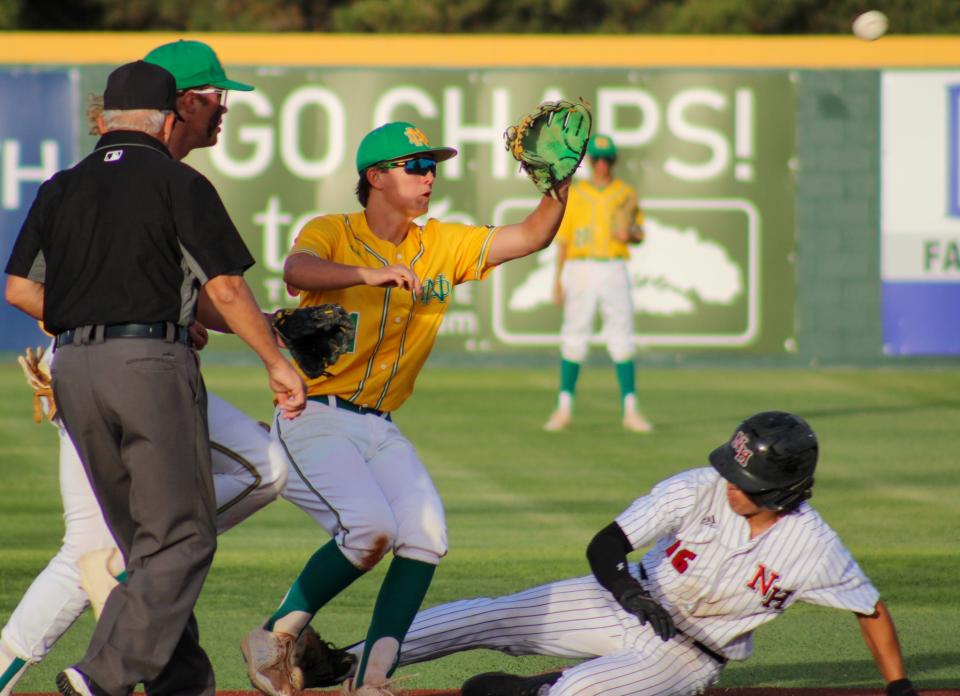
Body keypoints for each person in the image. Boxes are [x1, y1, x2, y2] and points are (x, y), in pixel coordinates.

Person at [0, 40, 297, 696]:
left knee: (140, 546)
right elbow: (223, 288)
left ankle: (179, 681)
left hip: (74, 366)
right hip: (147, 368)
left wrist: (91, 313)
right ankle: (101, 675)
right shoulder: (179, 182)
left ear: (107, 118)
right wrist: (276, 360)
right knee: (183, 535)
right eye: (216, 98)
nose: (222, 109)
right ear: (170, 117)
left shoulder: (62, 185)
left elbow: (19, 290)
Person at [240, 120, 573, 696]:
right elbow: (297, 270)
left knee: (425, 535)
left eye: (433, 166)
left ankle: (369, 680)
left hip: (381, 425)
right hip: (315, 415)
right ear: (375, 177)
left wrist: (558, 189)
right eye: (415, 166)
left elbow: (530, 237)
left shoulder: (440, 243)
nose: (429, 176)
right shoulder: (334, 230)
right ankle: (273, 636)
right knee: (370, 530)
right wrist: (372, 274)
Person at [331, 411, 919, 696]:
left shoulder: (812, 546)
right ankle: (338, 663)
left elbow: (870, 611)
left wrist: (898, 687)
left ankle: (537, 689)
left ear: (784, 490)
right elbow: (606, 544)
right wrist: (629, 592)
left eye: (745, 478)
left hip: (689, 655)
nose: (729, 481)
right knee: (486, 614)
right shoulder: (700, 486)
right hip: (621, 599)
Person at [543, 134, 651, 434]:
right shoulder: (576, 194)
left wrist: (630, 234)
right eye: (597, 159)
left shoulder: (625, 193)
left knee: (622, 336)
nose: (602, 165)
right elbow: (563, 241)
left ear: (613, 161)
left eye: (607, 159)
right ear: (589, 162)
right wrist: (557, 281)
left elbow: (640, 232)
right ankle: (563, 408)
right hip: (581, 267)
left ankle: (631, 410)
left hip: (614, 266)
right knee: (574, 336)